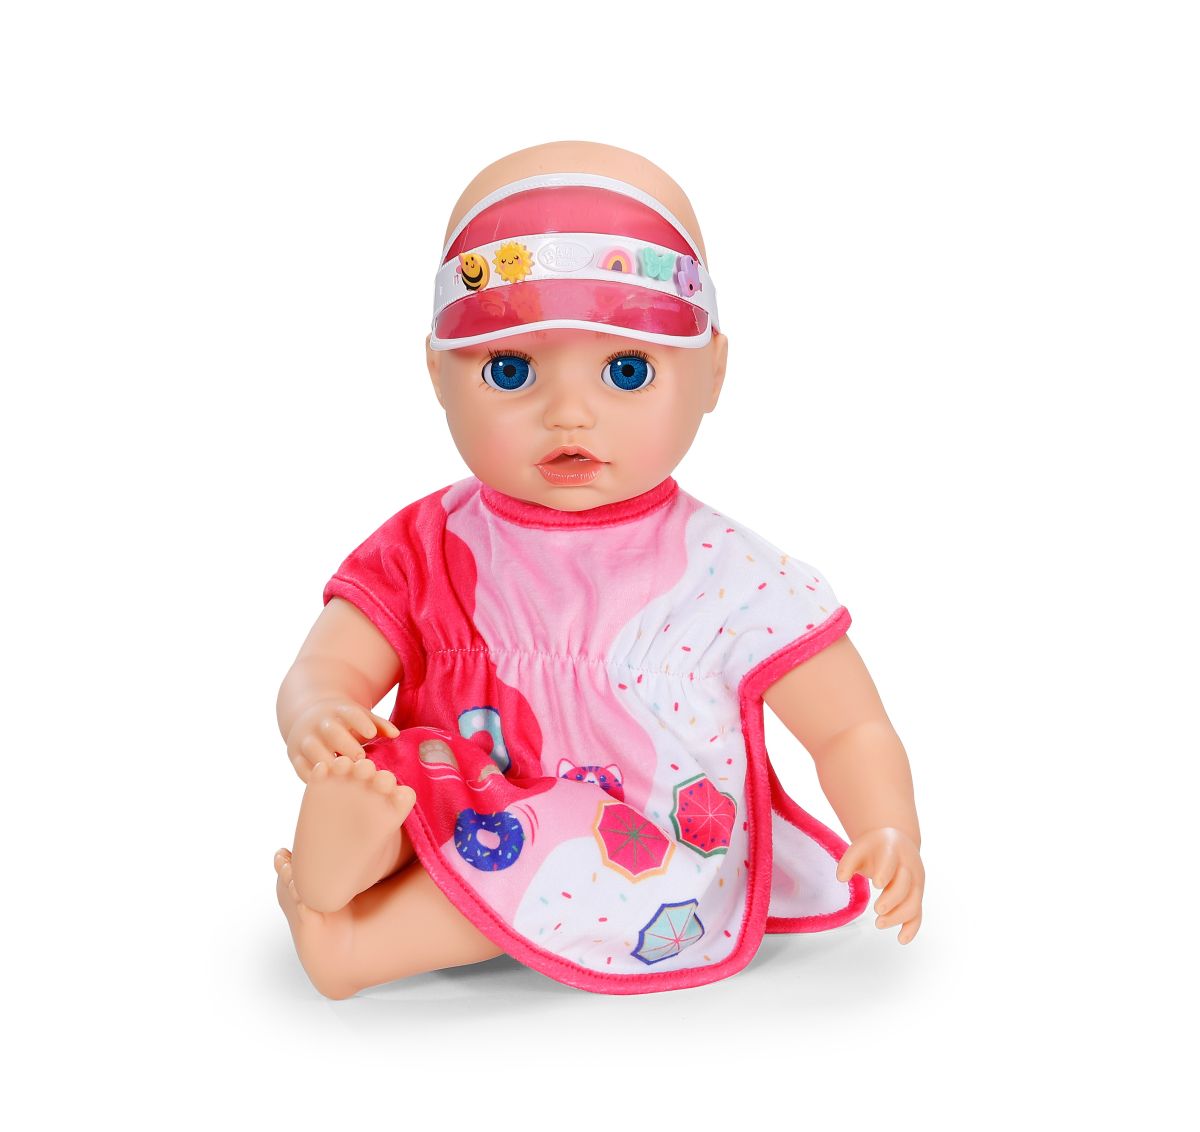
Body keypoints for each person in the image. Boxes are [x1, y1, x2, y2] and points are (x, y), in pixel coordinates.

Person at [274, 140, 924, 999]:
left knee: (555, 837)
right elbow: (331, 660)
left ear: (712, 373)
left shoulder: (729, 576)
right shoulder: (431, 542)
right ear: (436, 375)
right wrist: (319, 711)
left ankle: (356, 940)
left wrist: (887, 824)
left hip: (633, 843)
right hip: (471, 794)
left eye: (627, 370)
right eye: (511, 371)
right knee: (403, 765)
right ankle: (357, 846)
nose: (569, 412)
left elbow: (848, 727)